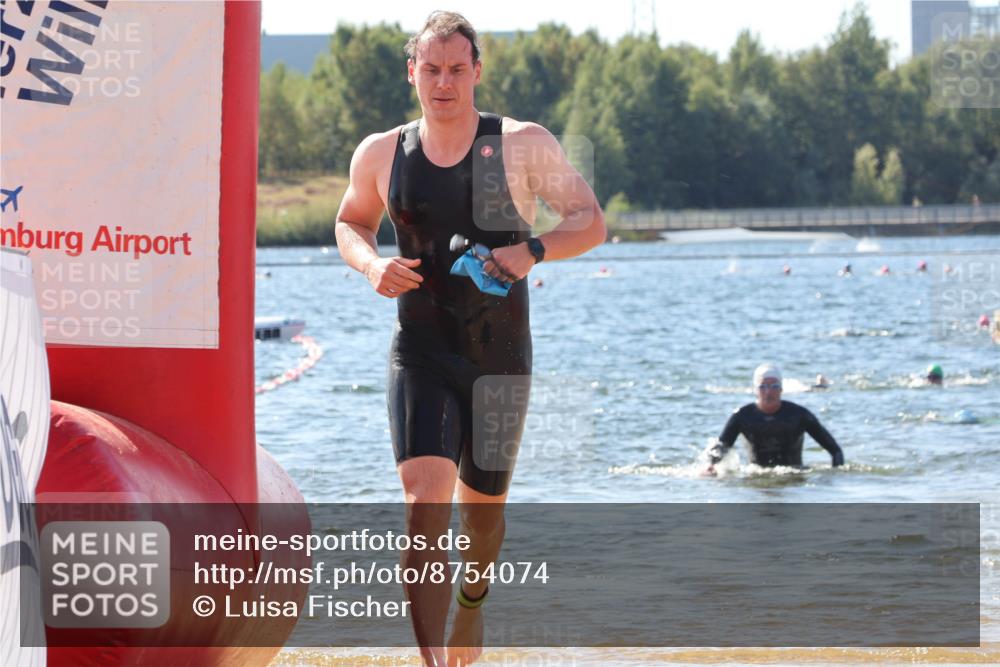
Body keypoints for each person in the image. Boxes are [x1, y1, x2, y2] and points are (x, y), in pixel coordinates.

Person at [334, 11, 605, 666]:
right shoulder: (382, 152)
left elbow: (590, 221)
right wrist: (372, 265)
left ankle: (473, 603)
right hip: (419, 353)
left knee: (481, 524)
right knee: (424, 504)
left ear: (477, 71)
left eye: (457, 69)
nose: (443, 82)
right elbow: (350, 222)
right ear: (412, 73)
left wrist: (533, 249)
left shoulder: (520, 144)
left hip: (499, 360)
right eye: (431, 69)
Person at [704, 363, 844, 474]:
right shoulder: (742, 416)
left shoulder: (799, 415)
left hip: (795, 477)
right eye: (763, 386)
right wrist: (711, 467)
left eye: (774, 386)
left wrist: (836, 477)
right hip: (756, 476)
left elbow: (835, 450)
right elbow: (720, 447)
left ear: (781, 389)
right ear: (756, 390)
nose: (768, 391)